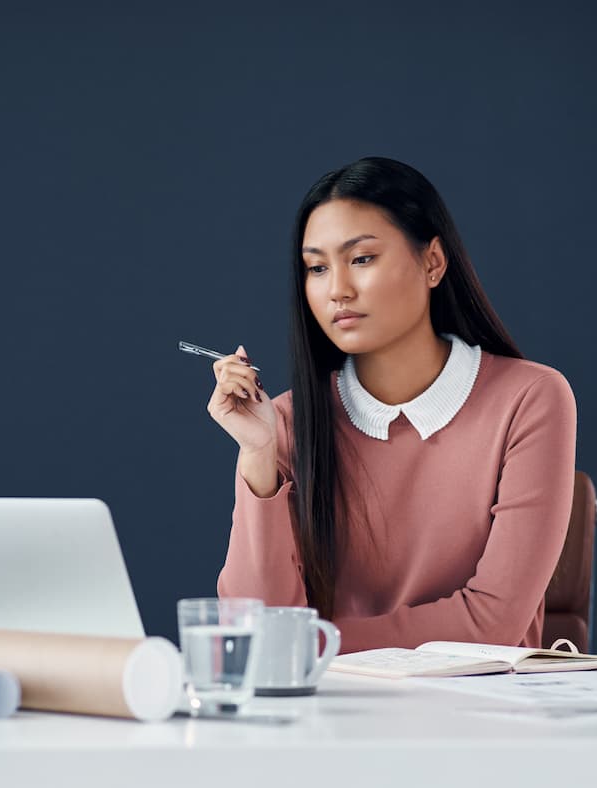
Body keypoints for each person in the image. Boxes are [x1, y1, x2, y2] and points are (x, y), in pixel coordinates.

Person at [209, 156, 576, 652]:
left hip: (479, 717)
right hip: (326, 719)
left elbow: (493, 625)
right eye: (317, 268)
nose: (337, 289)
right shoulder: (285, 422)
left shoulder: (530, 399)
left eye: (361, 259)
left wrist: (307, 646)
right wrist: (257, 453)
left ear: (432, 263)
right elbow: (255, 629)